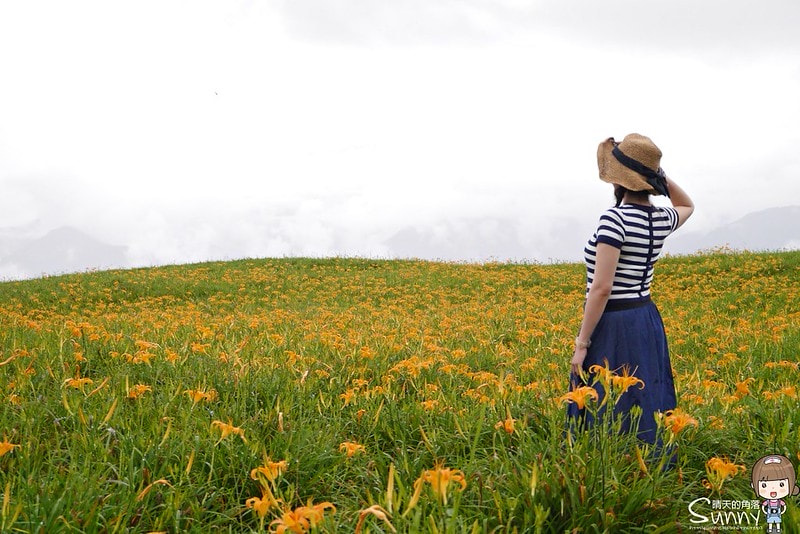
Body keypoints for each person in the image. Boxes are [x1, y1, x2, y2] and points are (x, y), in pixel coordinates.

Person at [566, 133, 694, 444]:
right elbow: (687, 205)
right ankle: (646, 462)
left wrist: (582, 343)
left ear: (618, 181)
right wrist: (659, 176)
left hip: (613, 321)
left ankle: (605, 461)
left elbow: (601, 288)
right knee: (643, 390)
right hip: (645, 318)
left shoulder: (614, 221)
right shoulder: (661, 218)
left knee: (602, 390)